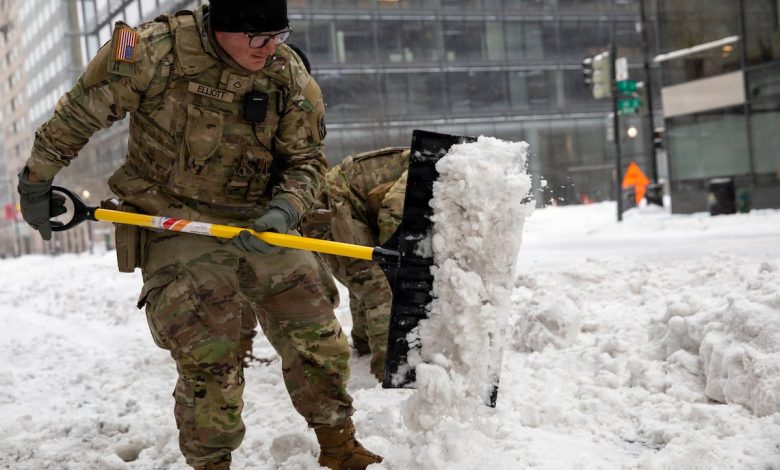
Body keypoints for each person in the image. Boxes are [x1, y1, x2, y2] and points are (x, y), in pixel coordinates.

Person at [15, 1, 382, 469]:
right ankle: (211, 463)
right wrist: (36, 180)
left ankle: (339, 445)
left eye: (279, 36)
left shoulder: (286, 73)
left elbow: (307, 160)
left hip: (259, 221)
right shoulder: (154, 52)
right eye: (257, 38)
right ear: (223, 28)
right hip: (173, 219)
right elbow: (79, 114)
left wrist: (285, 209)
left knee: (316, 331)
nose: (270, 48)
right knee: (210, 348)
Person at [301, 147, 410, 382]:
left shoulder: (428, 162)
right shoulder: (430, 174)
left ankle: (364, 342)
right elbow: (391, 214)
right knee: (379, 285)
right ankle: (390, 370)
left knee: (363, 276)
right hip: (329, 214)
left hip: (341, 209)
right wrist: (398, 261)